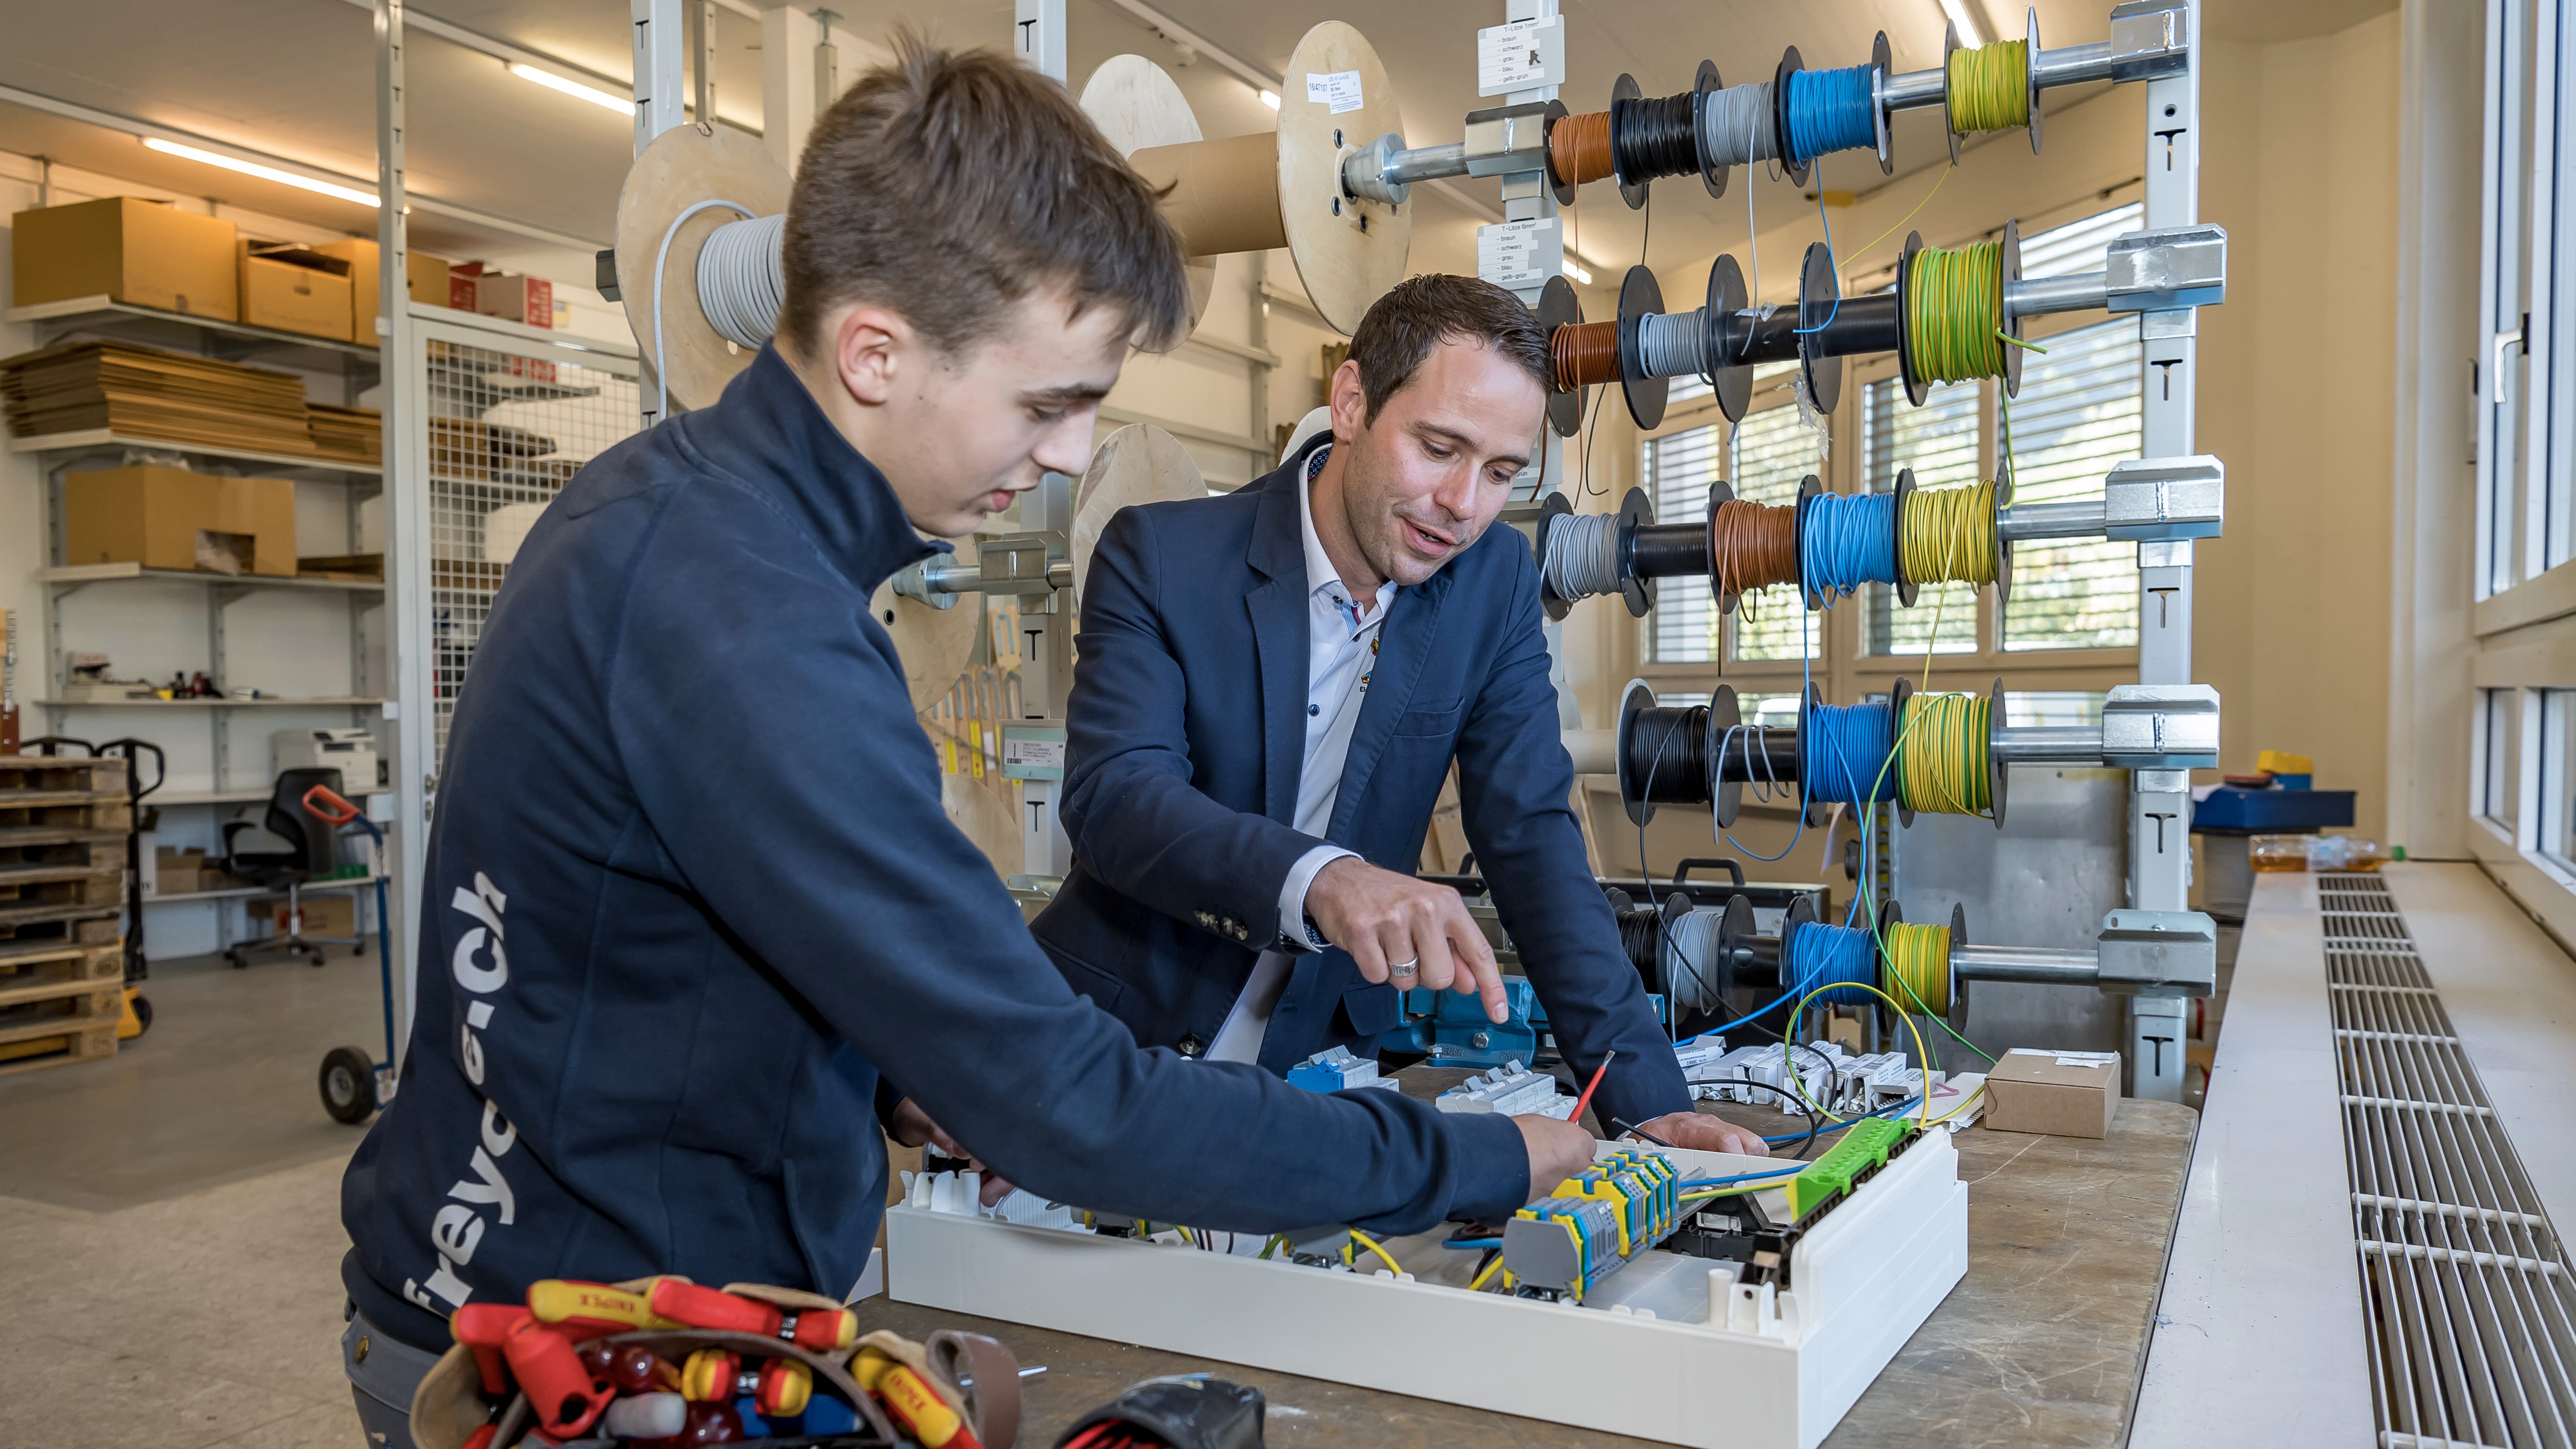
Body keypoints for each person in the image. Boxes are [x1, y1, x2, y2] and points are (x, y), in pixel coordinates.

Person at [336, 44, 1596, 1445]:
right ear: (877, 352)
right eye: (1049, 401)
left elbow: (668, 938)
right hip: (578, 1357)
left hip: (610, 1305)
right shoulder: (741, 615)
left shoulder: (682, 521)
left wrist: (896, 1071)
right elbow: (1070, 1103)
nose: (1072, 453)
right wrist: (1480, 1155)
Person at [1029, 274, 1767, 1157]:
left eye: (1500, 472)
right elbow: (1117, 800)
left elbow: (1532, 839)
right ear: (1351, 403)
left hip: (1314, 1068)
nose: (1463, 505)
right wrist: (1326, 879)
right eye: (1439, 447)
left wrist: (1646, 1104)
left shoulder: (1492, 583)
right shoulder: (1160, 555)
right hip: (1107, 1047)